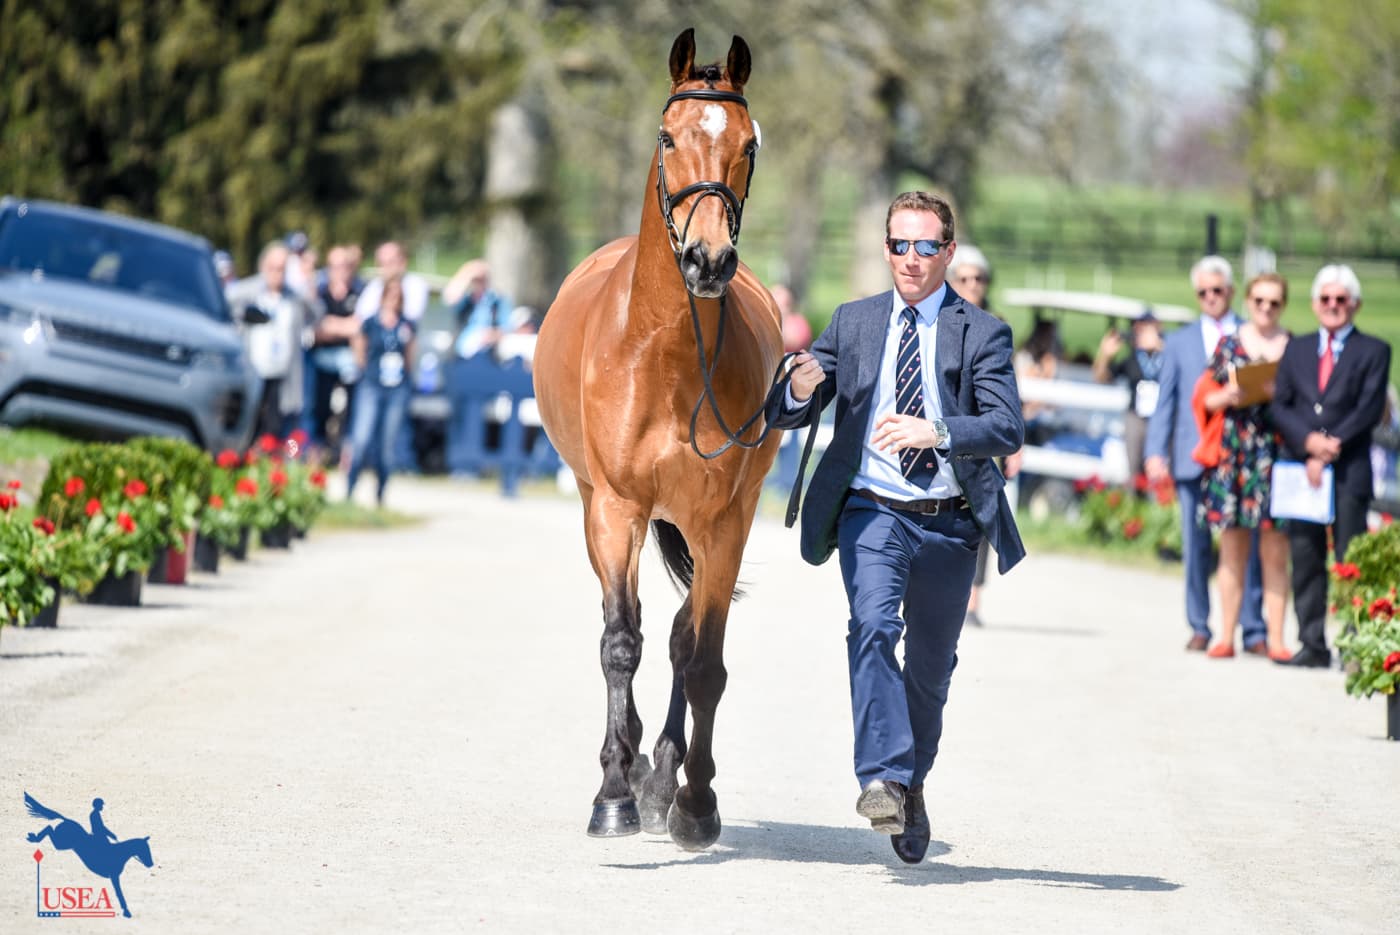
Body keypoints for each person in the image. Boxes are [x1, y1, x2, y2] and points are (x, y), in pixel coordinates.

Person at [773, 191, 1024, 864]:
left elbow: (1006, 426)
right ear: (886, 249)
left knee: (931, 672)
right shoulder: (853, 321)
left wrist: (936, 431)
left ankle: (910, 785)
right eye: (898, 244)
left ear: (948, 251)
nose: (910, 258)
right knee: (873, 626)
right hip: (873, 510)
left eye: (925, 245)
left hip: (949, 524)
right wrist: (800, 386)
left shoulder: (982, 332)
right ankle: (882, 777)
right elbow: (795, 403)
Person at [1271, 264, 1392, 668]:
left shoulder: (1374, 350)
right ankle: (1311, 642)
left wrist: (1329, 445)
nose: (1333, 305)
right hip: (1302, 468)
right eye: (1325, 298)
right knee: (1305, 556)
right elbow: (1281, 404)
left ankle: (1356, 645)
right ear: (1314, 303)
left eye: (1341, 299)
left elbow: (1369, 408)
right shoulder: (1297, 348)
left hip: (1347, 468)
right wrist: (1307, 443)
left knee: (1350, 560)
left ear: (1355, 304)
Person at [1144, 255, 1265, 653]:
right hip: (1193, 453)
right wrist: (1155, 451)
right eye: (1203, 292)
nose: (1211, 297)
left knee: (1245, 546)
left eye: (1217, 290)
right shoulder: (1179, 342)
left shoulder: (1251, 335)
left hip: (1241, 454)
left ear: (1230, 291)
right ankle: (1199, 623)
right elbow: (1166, 401)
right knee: (1195, 544)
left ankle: (1252, 627)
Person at [1194, 273, 1293, 661]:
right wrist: (1229, 396)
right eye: (1259, 301)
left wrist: (1279, 395)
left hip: (1275, 453)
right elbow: (1204, 398)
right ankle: (1226, 636)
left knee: (1275, 550)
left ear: (1283, 306)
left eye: (1274, 302)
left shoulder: (1293, 346)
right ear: (1248, 302)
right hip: (1234, 454)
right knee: (1232, 548)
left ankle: (1277, 640)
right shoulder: (1229, 344)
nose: (1266, 308)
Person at [947, 245, 1022, 628]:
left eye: (979, 278)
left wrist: (1016, 443)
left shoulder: (995, 325)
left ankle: (972, 600)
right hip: (942, 431)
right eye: (965, 278)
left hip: (982, 434)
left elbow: (1010, 391)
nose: (973, 284)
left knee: (981, 513)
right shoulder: (937, 321)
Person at [225, 242, 311, 439]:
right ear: (263, 266)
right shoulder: (247, 291)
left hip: (282, 376)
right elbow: (226, 306)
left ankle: (287, 456)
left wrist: (308, 279)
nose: (277, 274)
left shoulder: (294, 298)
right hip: (252, 371)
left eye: (282, 269)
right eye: (273, 268)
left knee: (282, 433)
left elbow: (317, 312)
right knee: (248, 426)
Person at [346, 278, 416, 506]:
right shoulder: (371, 323)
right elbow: (358, 345)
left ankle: (380, 493)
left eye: (398, 296)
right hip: (372, 384)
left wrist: (407, 378)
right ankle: (350, 488)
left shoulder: (406, 325)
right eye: (390, 294)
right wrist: (364, 369)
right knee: (361, 438)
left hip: (396, 387)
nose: (394, 300)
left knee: (387, 445)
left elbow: (410, 355)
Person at [304, 245, 365, 464]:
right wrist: (345, 327)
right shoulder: (318, 291)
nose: (341, 271)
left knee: (350, 413)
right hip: (320, 361)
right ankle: (308, 454)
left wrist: (331, 326)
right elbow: (315, 327)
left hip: (350, 363)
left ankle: (345, 458)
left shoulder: (360, 291)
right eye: (335, 266)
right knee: (315, 411)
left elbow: (360, 326)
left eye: (345, 266)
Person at [1093, 308, 1166, 481]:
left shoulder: (1168, 354)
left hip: (1161, 417)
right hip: (1136, 416)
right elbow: (1102, 377)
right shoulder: (1133, 358)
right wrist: (1105, 355)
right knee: (1134, 467)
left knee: (1159, 468)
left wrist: (1160, 345)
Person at [767, 283, 813, 494]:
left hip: (790, 387)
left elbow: (795, 339)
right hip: (768, 384)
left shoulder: (797, 322)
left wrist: (779, 319)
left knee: (791, 437)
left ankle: (786, 484)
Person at [444, 258, 512, 360]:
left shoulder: (497, 301)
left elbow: (507, 328)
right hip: (462, 354)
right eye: (476, 280)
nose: (479, 283)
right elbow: (450, 298)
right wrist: (466, 274)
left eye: (482, 279)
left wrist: (491, 335)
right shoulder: (466, 300)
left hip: (489, 354)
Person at [356, 241, 429, 323]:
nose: (385, 268)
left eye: (390, 263)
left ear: (403, 262)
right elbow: (361, 315)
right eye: (381, 264)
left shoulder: (415, 284)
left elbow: (412, 316)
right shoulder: (375, 285)